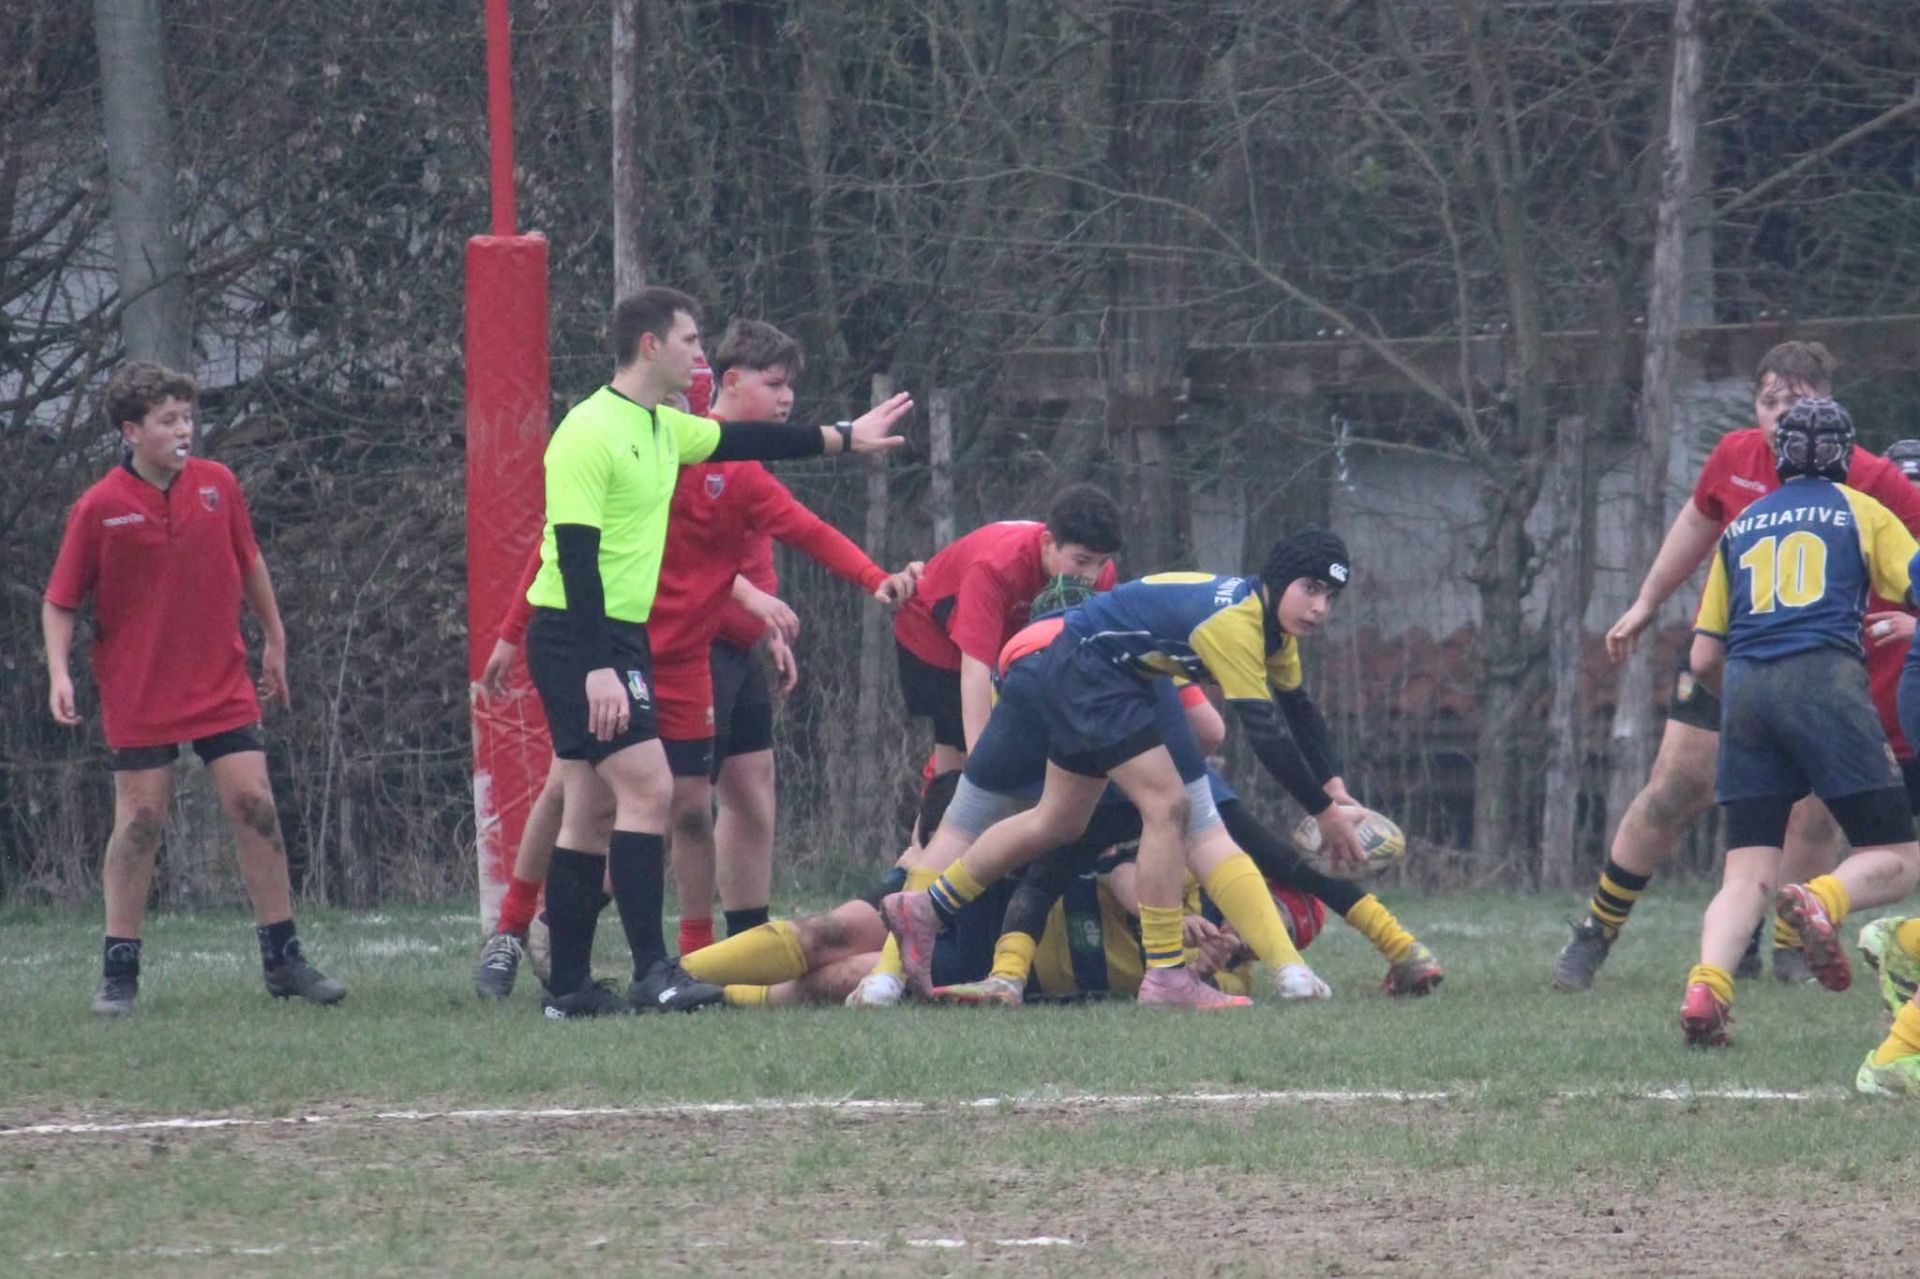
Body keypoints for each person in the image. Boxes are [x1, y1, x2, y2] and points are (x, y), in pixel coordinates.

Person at [524, 285, 909, 1018]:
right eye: (691, 340)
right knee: (649, 790)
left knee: (592, 806)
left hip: (617, 637)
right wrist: (601, 665)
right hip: (580, 634)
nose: (701, 354)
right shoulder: (588, 430)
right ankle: (651, 971)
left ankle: (569, 985)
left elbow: (750, 441)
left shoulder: (664, 430)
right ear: (650, 346)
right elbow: (573, 555)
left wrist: (843, 436)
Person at [1554, 342, 1920, 991]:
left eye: (1797, 399)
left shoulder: (1874, 481)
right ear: (1756, 407)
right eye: (1770, 400)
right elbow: (1695, 526)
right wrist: (1645, 602)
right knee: (1672, 792)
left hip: (1784, 668)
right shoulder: (1737, 459)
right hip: (1739, 660)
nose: (1782, 414)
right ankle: (1595, 932)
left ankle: (1779, 951)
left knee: (1809, 816)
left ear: (1826, 404)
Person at [883, 528, 1372, 1009]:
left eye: (1330, 596)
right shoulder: (1236, 623)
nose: (1319, 608)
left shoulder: (1273, 633)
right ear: (1278, 579)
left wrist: (1333, 786)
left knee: (1056, 822)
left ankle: (928, 906)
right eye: (1309, 589)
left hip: (1080, 665)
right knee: (1169, 806)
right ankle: (1166, 977)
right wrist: (1324, 812)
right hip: (1094, 670)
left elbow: (1299, 709)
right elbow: (1267, 736)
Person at [43, 361, 345, 1016]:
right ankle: (119, 970)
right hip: (140, 687)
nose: (184, 430)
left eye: (188, 417)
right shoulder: (99, 507)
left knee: (254, 803)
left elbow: (249, 561)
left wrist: (275, 637)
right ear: (131, 430)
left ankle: (284, 957)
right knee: (142, 820)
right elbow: (60, 600)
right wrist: (59, 671)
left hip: (219, 680)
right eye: (168, 420)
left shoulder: (218, 485)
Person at [648, 320, 919, 957]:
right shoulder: (688, 450)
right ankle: (604, 922)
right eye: (774, 384)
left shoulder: (747, 463)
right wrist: (749, 596)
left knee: (750, 789)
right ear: (730, 382)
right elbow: (668, 555)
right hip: (685, 649)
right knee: (671, 805)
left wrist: (768, 627)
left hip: (735, 650)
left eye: (791, 386)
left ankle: (744, 943)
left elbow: (768, 538)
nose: (787, 397)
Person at [1680, 397, 1920, 1046]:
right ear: (1847, 457)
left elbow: (1704, 653)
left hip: (1748, 688)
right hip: (1825, 680)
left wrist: (1745, 702)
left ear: (1779, 457)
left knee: (1747, 871)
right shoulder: (1863, 509)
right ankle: (1824, 900)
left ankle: (1707, 990)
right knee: (1900, 854)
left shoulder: (1743, 524)